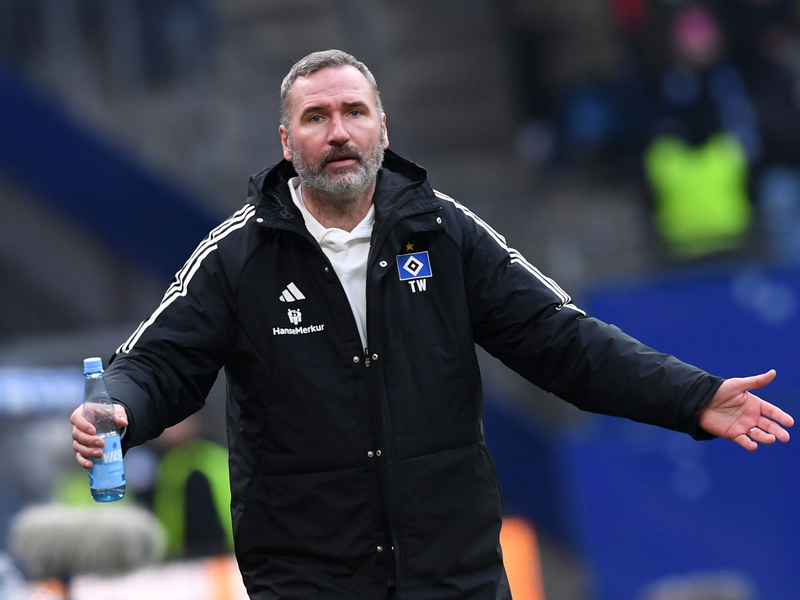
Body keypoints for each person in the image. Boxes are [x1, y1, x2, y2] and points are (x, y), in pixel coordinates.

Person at [70, 50, 793, 600]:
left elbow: (565, 342)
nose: (339, 131)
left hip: (456, 577)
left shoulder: (445, 233)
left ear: (383, 127)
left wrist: (691, 397)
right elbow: (159, 361)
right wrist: (119, 408)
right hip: (311, 583)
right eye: (316, 118)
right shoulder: (238, 255)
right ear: (286, 141)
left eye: (354, 111)